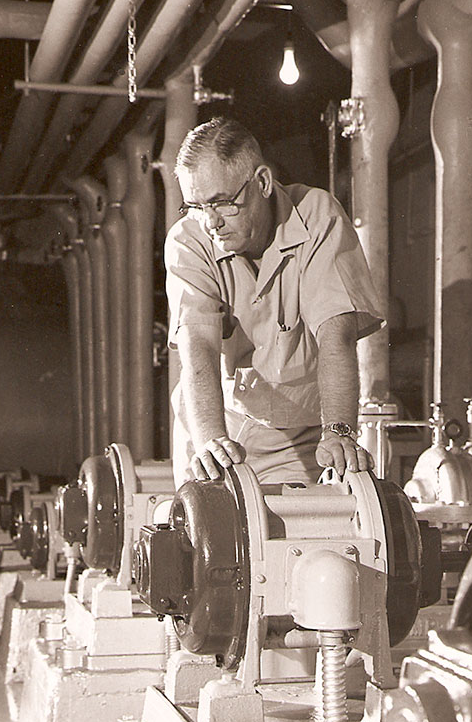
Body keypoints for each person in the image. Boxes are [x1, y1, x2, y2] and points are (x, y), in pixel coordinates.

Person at [165, 117, 385, 486]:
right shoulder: (188, 240)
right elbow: (198, 346)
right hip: (221, 424)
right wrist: (209, 442)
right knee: (211, 529)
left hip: (305, 432)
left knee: (305, 534)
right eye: (197, 206)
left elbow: (336, 336)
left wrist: (340, 433)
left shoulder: (317, 217)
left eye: (222, 203)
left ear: (262, 183)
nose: (210, 222)